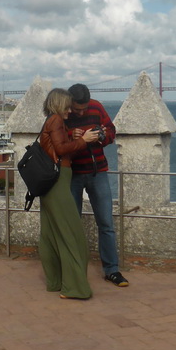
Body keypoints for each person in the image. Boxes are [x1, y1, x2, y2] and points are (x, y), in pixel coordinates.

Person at [38, 88, 101, 299]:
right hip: (58, 182)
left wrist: (75, 138)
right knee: (71, 234)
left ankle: (55, 282)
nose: (70, 110)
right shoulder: (56, 120)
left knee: (50, 233)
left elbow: (59, 148)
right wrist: (86, 140)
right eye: (67, 105)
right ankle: (74, 288)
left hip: (49, 182)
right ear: (59, 104)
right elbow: (61, 150)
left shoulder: (52, 120)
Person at [65, 83, 127, 287]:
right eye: (77, 109)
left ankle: (112, 270)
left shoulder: (97, 107)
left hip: (97, 171)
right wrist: (72, 136)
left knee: (106, 223)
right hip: (73, 174)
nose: (81, 112)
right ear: (69, 102)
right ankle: (74, 270)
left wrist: (101, 136)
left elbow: (111, 131)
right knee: (72, 224)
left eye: (84, 108)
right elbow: (54, 139)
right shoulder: (64, 112)